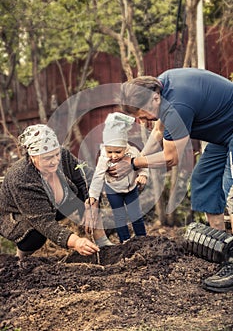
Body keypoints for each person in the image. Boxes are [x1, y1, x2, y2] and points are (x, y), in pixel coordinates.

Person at [108, 68, 233, 292]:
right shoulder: (160, 87)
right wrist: (137, 161)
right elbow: (158, 132)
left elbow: (171, 158)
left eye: (143, 113)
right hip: (223, 134)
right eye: (138, 117)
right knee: (204, 181)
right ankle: (225, 252)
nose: (143, 120)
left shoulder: (176, 106)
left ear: (155, 98)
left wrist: (135, 165)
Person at [0, 124, 112, 260]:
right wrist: (76, 242)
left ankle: (102, 241)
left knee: (86, 194)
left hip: (56, 203)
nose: (54, 161)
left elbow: (85, 179)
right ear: (32, 156)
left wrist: (91, 205)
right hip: (17, 217)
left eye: (56, 154)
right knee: (35, 235)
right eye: (47, 158)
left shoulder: (63, 155)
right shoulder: (21, 178)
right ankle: (20, 259)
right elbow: (44, 222)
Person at [85, 112, 149, 243]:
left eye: (118, 152)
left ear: (125, 147)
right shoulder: (104, 158)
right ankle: (124, 240)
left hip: (131, 189)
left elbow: (143, 164)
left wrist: (143, 175)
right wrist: (93, 195)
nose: (113, 156)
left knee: (135, 214)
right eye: (110, 152)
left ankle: (142, 238)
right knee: (119, 216)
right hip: (113, 191)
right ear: (105, 148)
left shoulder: (133, 152)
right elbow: (98, 177)